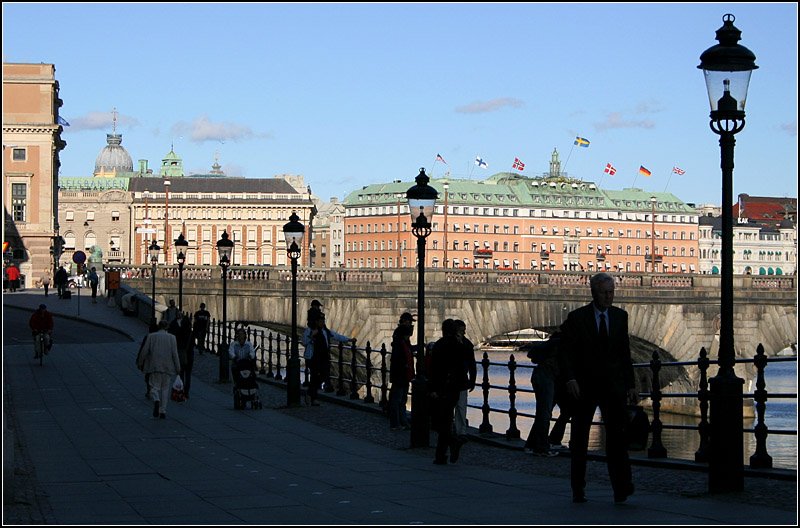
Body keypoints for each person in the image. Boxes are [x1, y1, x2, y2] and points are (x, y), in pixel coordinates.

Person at [560, 272, 638, 504]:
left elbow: (625, 353)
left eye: (611, 292)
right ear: (594, 293)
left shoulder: (620, 317)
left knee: (617, 439)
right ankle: (578, 488)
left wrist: (631, 384)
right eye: (605, 292)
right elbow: (566, 352)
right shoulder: (577, 318)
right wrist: (570, 379)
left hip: (613, 387)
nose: (609, 296)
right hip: (584, 386)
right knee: (580, 440)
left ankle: (622, 487)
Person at [428, 318, 466, 465]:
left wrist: (433, 389)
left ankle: (450, 444)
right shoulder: (459, 346)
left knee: (439, 423)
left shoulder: (439, 345)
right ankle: (441, 455)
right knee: (446, 421)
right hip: (454, 389)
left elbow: (434, 370)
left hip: (441, 389)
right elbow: (463, 369)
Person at [522, 330, 565, 457]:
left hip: (546, 378)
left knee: (544, 412)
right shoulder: (558, 343)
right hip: (546, 378)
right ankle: (542, 447)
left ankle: (533, 444)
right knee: (544, 413)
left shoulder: (554, 344)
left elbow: (532, 355)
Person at [301, 312, 353, 406]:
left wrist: (348, 339)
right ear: (316, 322)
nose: (322, 322)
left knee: (323, 376)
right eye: (321, 321)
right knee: (314, 377)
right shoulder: (309, 330)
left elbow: (336, 336)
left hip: (323, 358)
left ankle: (310, 394)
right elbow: (304, 341)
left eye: (323, 321)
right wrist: (312, 336)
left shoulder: (325, 331)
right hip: (313, 358)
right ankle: (313, 398)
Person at [138, 320, 181, 419]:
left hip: (154, 366)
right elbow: (175, 354)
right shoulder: (172, 338)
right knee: (165, 389)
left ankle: (156, 399)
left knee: (154, 387)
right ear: (167, 327)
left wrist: (141, 363)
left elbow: (144, 351)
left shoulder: (151, 336)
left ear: (159, 326)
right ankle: (163, 411)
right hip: (167, 367)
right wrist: (178, 368)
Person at [388, 312, 415, 430]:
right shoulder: (400, 338)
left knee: (401, 399)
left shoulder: (401, 339)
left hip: (403, 374)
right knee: (398, 399)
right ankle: (396, 423)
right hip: (400, 374)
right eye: (409, 323)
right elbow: (400, 357)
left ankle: (402, 421)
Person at [453, 319, 477, 443]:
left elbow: (472, 364)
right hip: (450, 380)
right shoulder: (449, 343)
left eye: (463, 331)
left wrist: (472, 380)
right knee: (452, 406)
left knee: (461, 407)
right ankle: (453, 429)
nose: (463, 333)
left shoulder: (467, 344)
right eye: (460, 331)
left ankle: (461, 431)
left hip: (461, 380)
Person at [169, 311, 194, 399]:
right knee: (188, 374)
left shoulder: (178, 332)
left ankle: (181, 390)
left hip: (181, 354)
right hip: (189, 355)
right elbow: (193, 345)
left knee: (181, 373)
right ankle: (186, 392)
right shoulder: (191, 333)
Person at [136, 322, 159, 398]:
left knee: (148, 376)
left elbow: (143, 349)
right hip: (158, 361)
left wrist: (139, 361)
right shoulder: (160, 338)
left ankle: (149, 390)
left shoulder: (148, 337)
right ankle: (153, 390)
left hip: (149, 360)